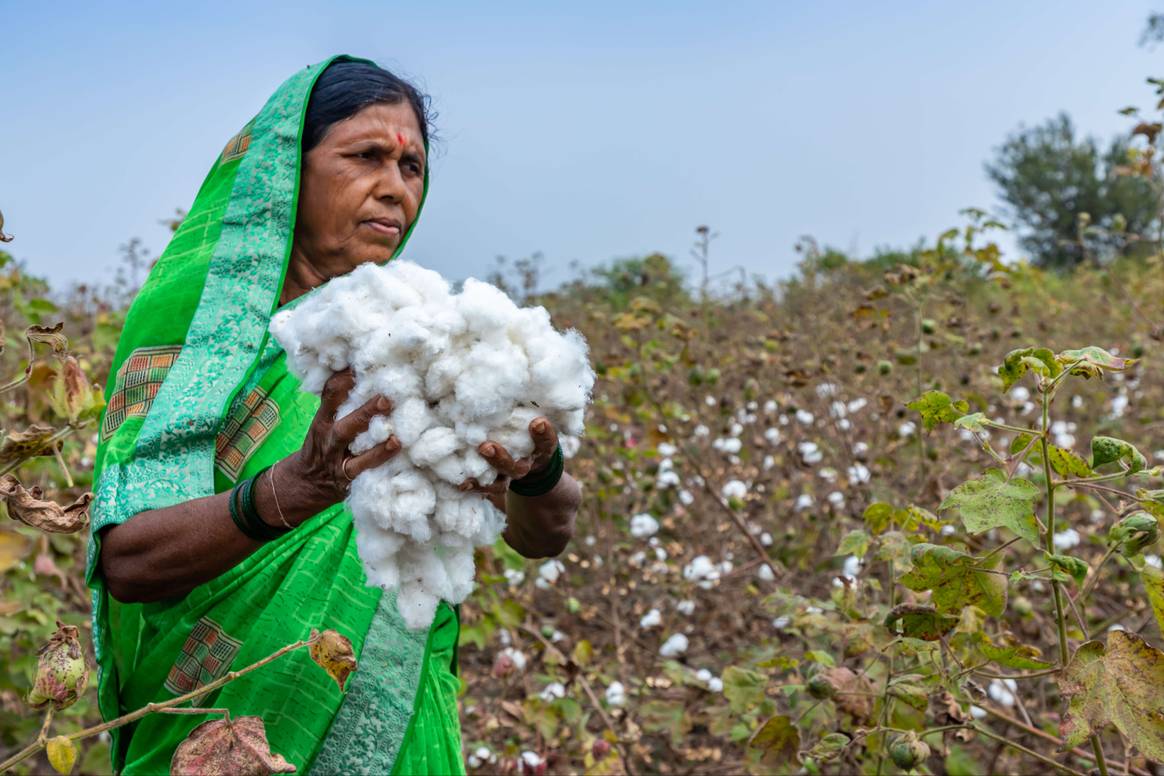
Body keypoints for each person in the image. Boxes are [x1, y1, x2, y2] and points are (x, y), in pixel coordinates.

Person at [85, 54, 581, 775]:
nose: (393, 190)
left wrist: (538, 470)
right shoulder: (203, 320)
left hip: (399, 722)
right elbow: (128, 559)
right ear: (289, 168)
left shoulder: (429, 335)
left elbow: (549, 532)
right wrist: (287, 494)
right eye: (366, 157)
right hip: (221, 724)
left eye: (411, 169)